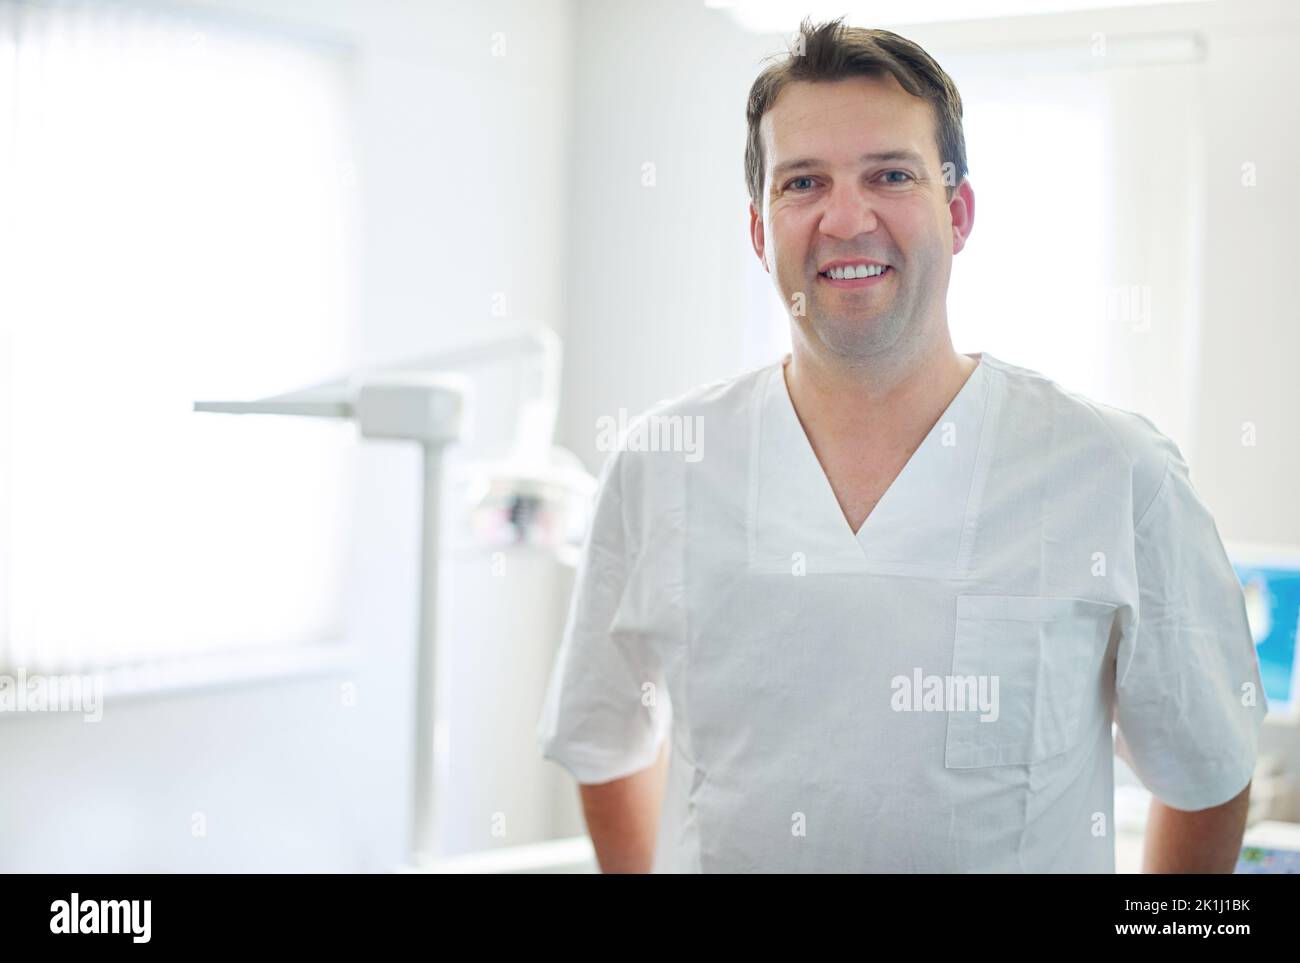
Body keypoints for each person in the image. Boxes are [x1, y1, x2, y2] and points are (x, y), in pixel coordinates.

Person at [536, 17, 1267, 873]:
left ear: (956, 213)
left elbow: (1207, 774)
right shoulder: (662, 466)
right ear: (758, 230)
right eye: (802, 182)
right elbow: (603, 741)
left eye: (890, 174)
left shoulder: (1114, 472)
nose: (847, 219)